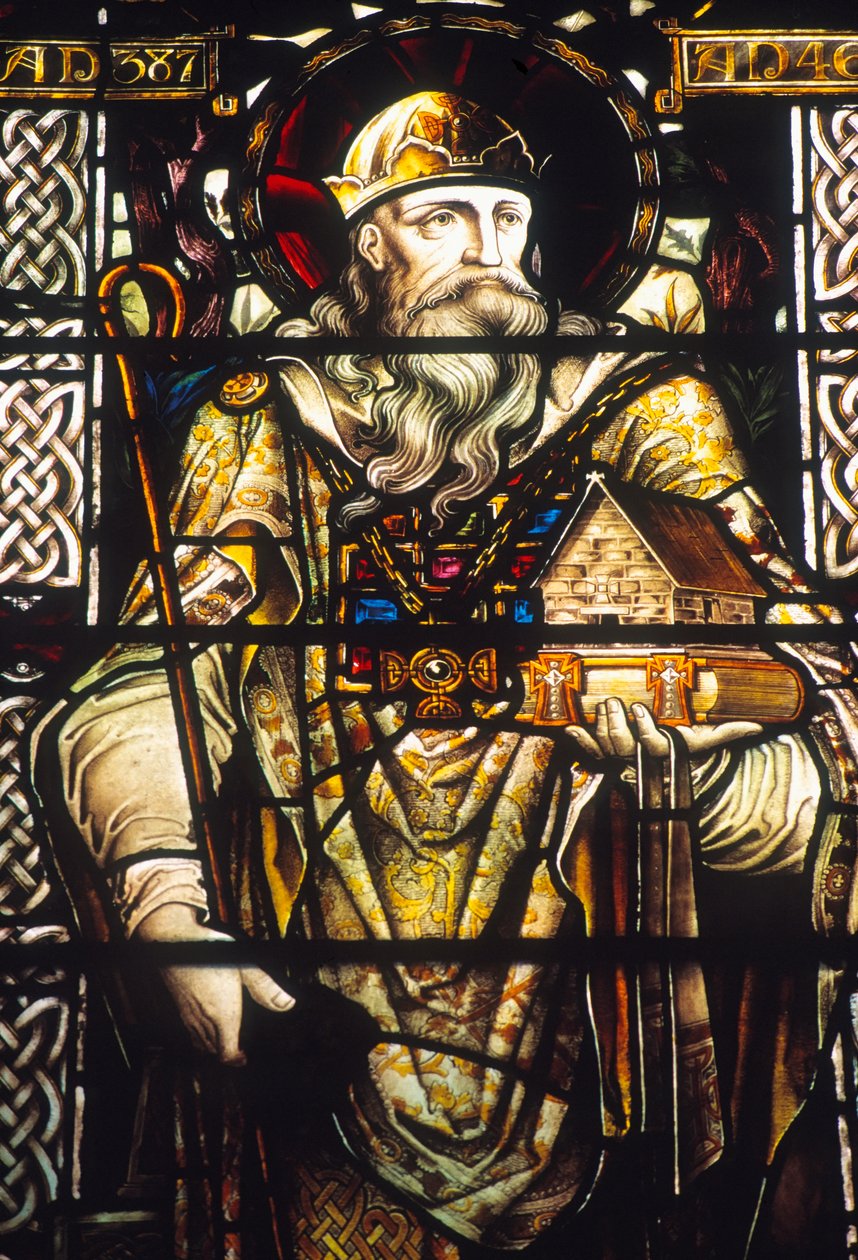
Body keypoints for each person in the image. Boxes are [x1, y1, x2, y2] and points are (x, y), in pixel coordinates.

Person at [32, 91, 858, 1256]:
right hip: (309, 958)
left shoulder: (645, 403)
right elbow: (148, 681)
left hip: (596, 975)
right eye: (444, 218)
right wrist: (165, 900)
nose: (488, 249)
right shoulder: (265, 416)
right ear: (368, 243)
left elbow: (800, 662)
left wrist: (707, 777)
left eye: (507, 217)